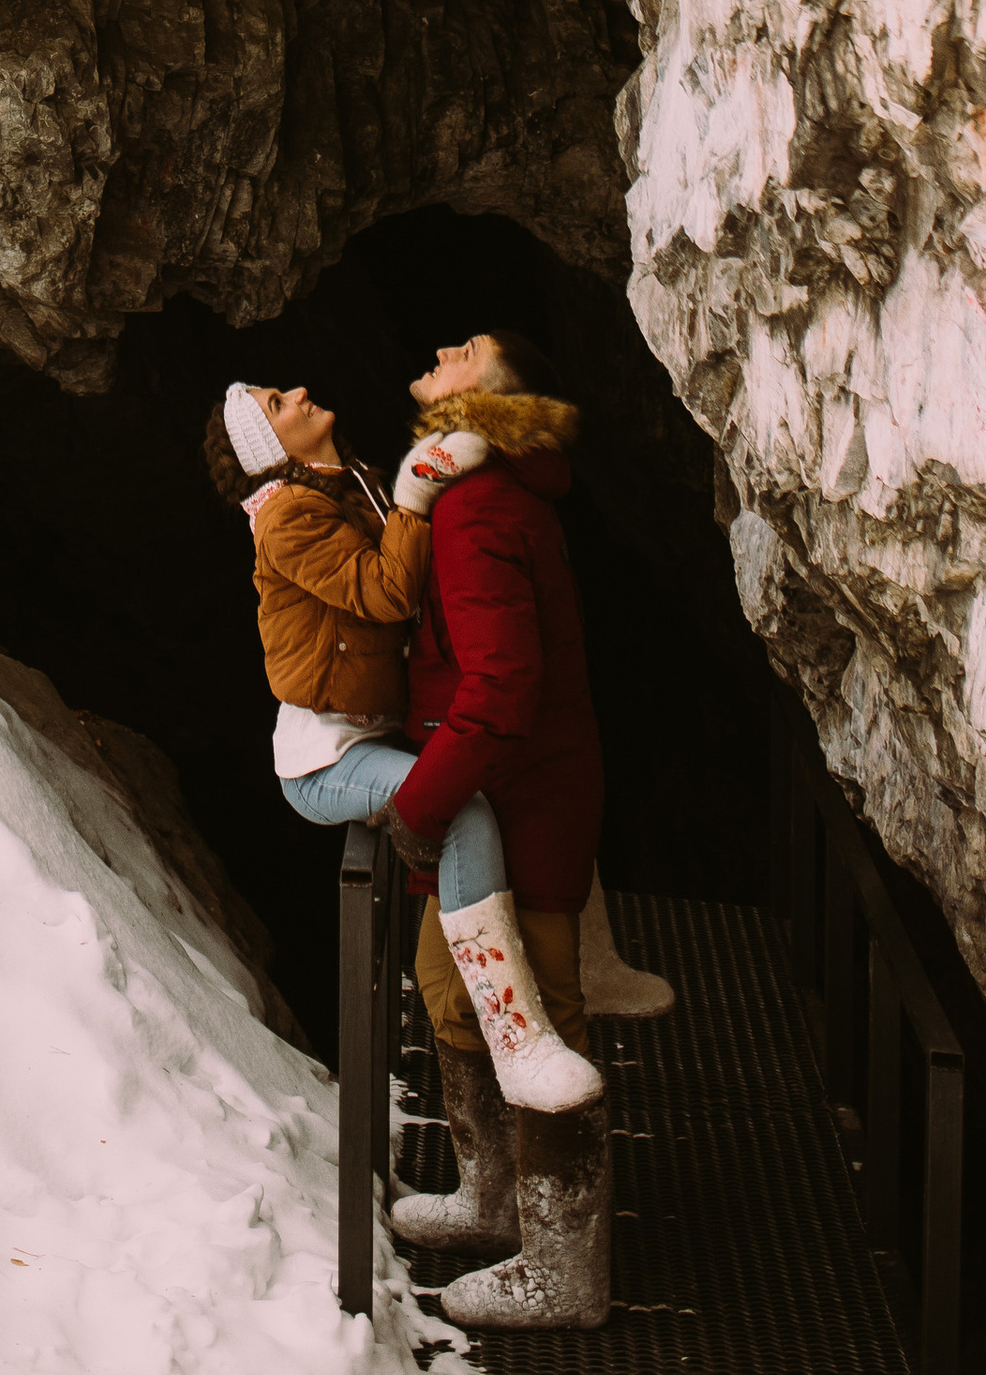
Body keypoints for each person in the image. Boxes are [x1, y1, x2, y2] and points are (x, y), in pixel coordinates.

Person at [204, 374, 600, 1118]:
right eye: (277, 405)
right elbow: (386, 593)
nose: (296, 392)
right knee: (468, 814)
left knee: (486, 800)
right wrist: (417, 500)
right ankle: (519, 1039)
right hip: (327, 761)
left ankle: (518, 1040)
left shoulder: (345, 484)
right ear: (269, 444)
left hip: (372, 735)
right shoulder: (288, 514)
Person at [379, 325, 671, 1330]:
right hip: (484, 805)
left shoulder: (478, 510)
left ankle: (564, 1270)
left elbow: (502, 684)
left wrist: (418, 803)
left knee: (536, 1017)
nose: (445, 343)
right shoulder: (475, 495)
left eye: (465, 347)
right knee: (445, 988)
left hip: (513, 805)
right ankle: (494, 1199)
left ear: (494, 394)